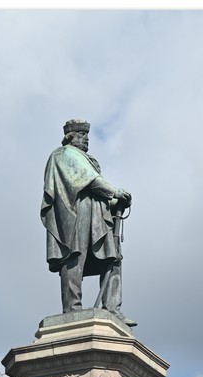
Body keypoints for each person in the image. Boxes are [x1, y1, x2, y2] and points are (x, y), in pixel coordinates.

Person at [41, 118, 134, 324]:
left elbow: (95, 188)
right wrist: (115, 192)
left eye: (87, 136)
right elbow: (91, 181)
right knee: (75, 257)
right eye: (82, 135)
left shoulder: (85, 157)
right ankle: (72, 308)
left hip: (98, 214)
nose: (87, 140)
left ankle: (112, 308)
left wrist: (114, 203)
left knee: (113, 258)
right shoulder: (64, 154)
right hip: (75, 212)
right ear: (70, 137)